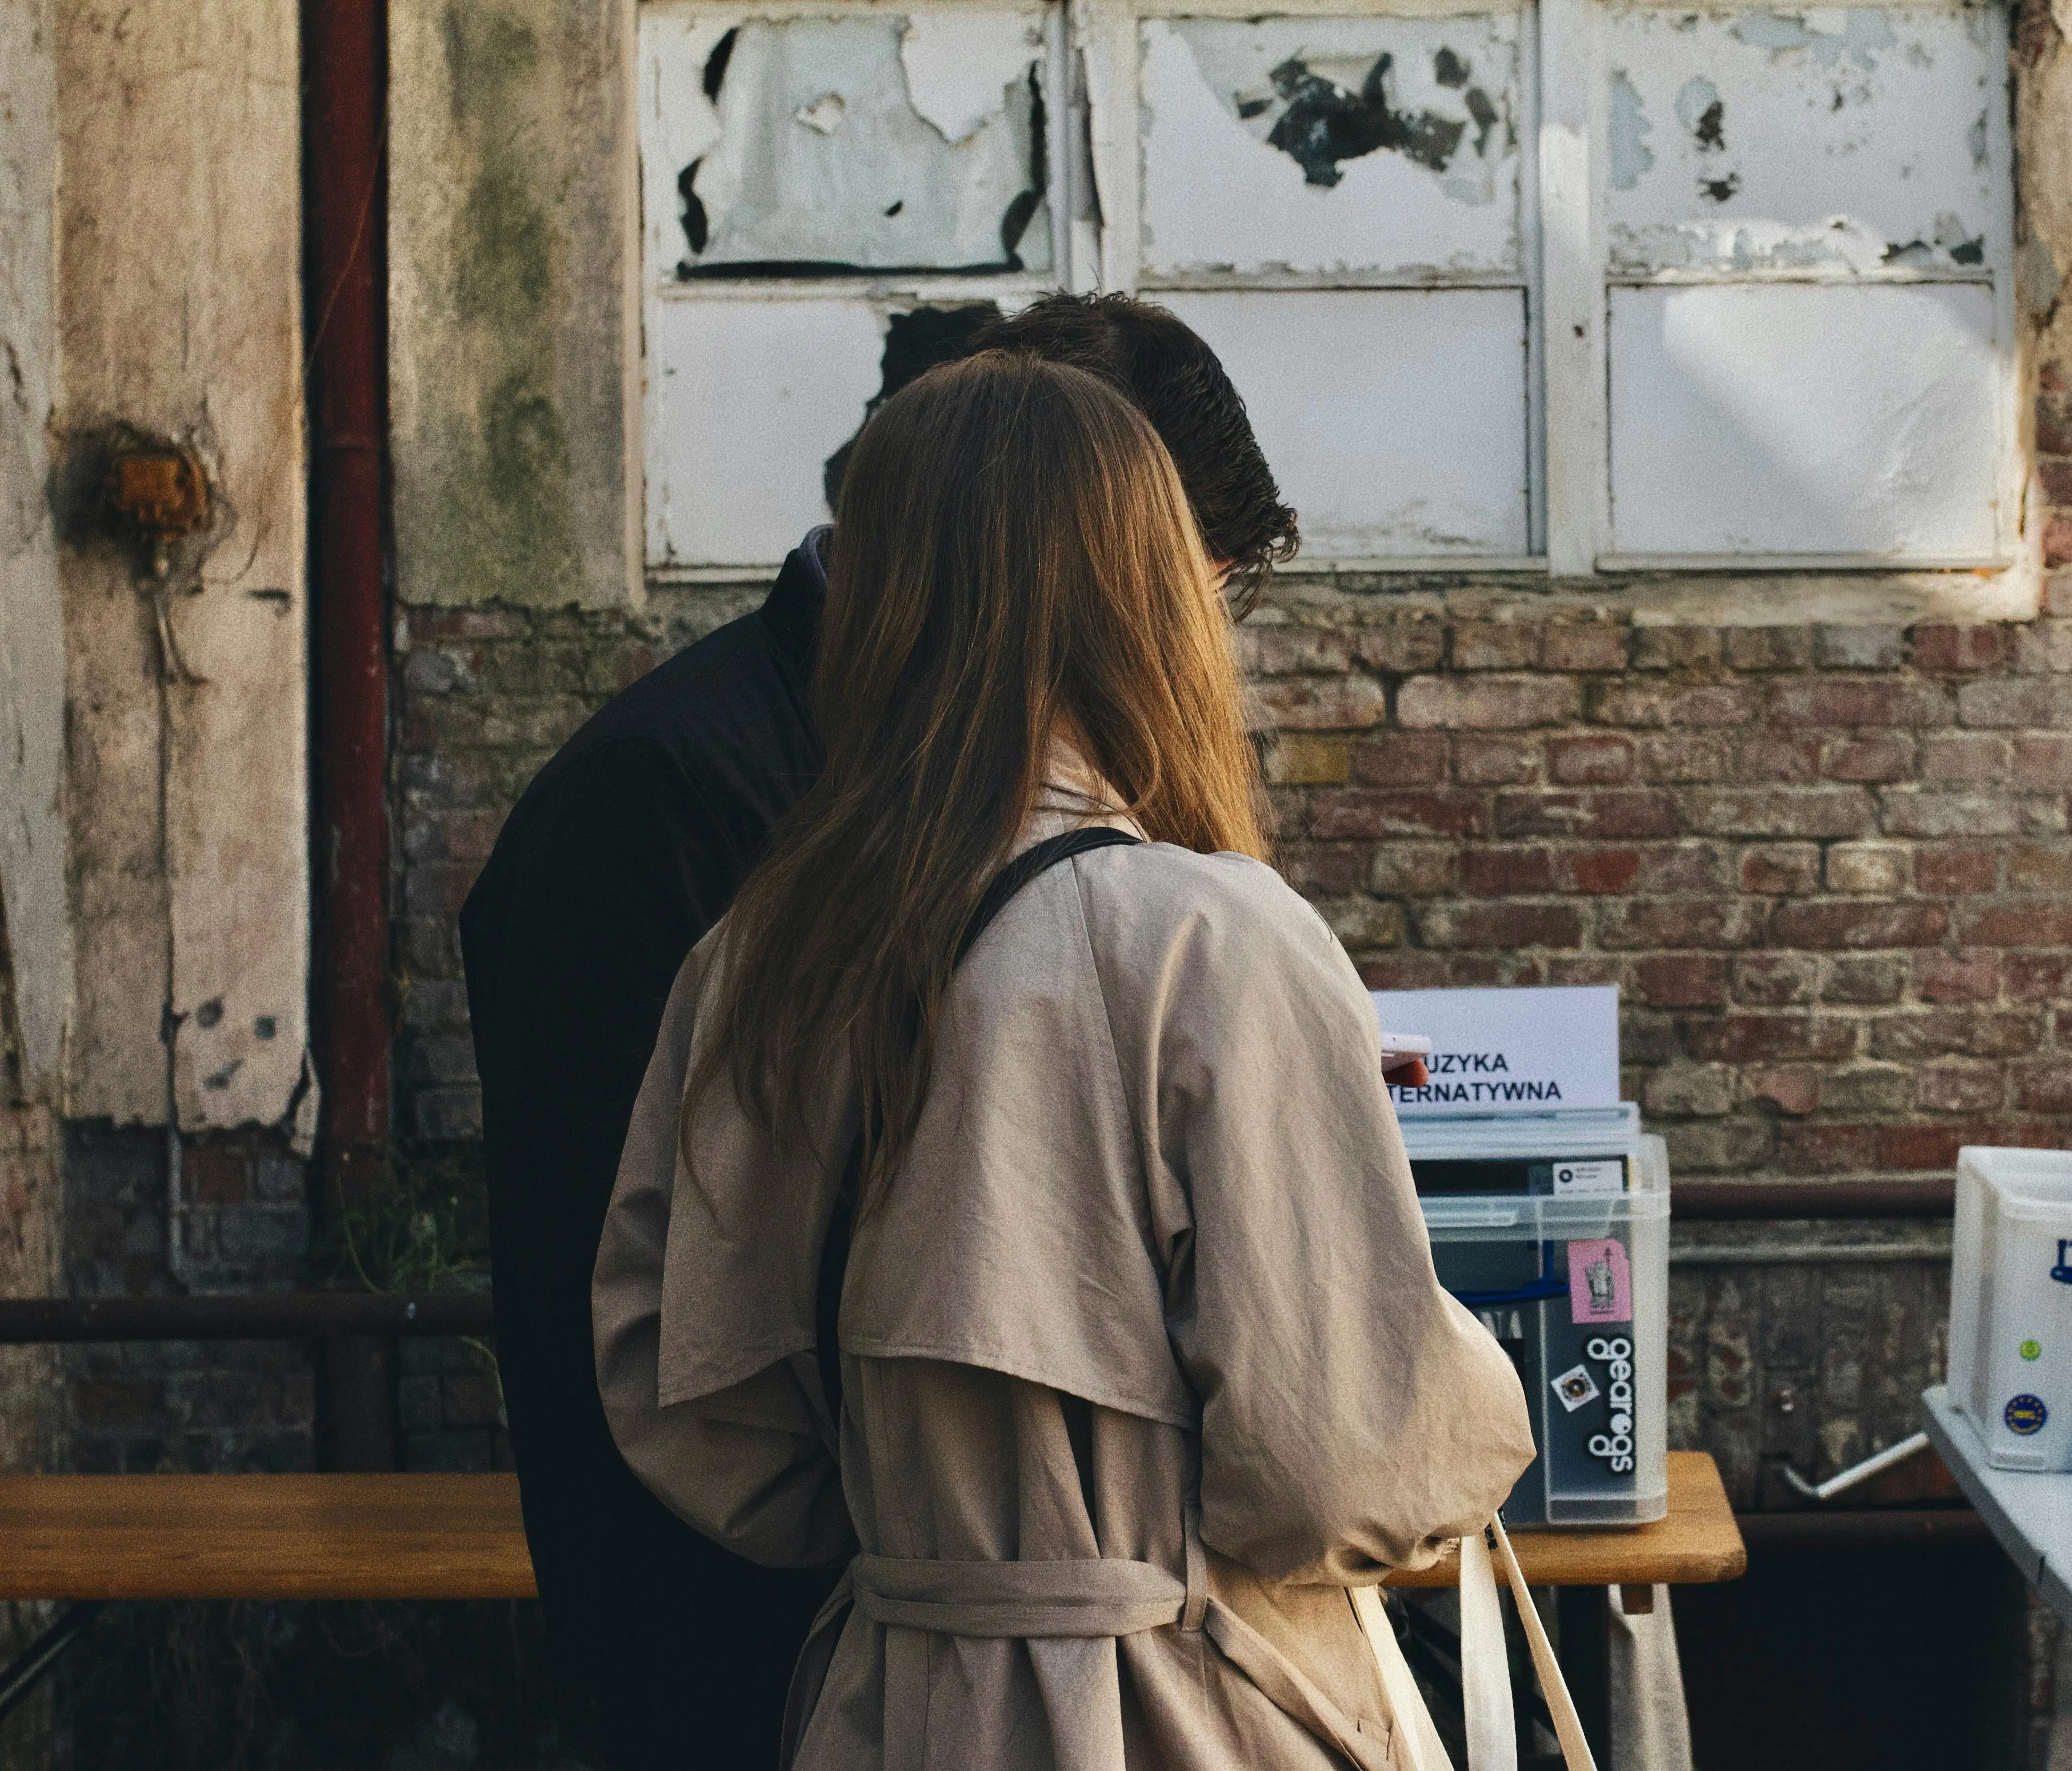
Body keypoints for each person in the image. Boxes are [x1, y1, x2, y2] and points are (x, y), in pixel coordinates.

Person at [592, 353, 1535, 1768]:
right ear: (1148, 597)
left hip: (889, 1707)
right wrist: (1463, 1378)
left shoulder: (758, 956)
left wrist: (943, 1539)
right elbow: (1347, 1466)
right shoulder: (1210, 937)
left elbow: (686, 1401)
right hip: (1194, 1705)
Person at [460, 295, 1305, 1770]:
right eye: (1183, 582)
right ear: (1066, 552)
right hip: (782, 1664)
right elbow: (641, 1332)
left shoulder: (1037, 833)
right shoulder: (667, 803)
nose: (1198, 643)